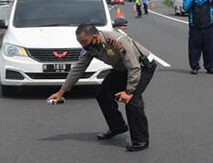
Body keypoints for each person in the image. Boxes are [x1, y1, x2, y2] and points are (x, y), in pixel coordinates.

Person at [46, 24, 157, 152]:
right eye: (81, 43)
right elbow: (78, 68)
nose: (84, 46)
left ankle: (140, 140)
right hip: (122, 68)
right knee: (102, 94)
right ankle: (117, 126)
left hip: (142, 66)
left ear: (95, 37)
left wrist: (129, 91)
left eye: (85, 42)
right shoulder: (90, 47)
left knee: (132, 101)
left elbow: (134, 67)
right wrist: (61, 92)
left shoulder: (117, 41)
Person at [183, 0, 213, 75]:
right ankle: (194, 67)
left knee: (210, 49)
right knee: (194, 50)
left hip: (209, 28)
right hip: (195, 29)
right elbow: (185, 8)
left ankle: (210, 67)